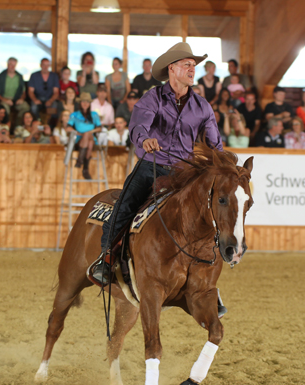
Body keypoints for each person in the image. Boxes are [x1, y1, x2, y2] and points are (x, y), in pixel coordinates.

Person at [90, 41, 223, 292]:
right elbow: (138, 127)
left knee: (211, 213)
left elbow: (215, 144)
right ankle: (105, 259)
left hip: (185, 172)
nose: (192, 69)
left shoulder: (202, 106)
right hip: (153, 164)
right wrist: (144, 139)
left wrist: (226, 163)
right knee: (126, 205)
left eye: (194, 65)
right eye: (187, 65)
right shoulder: (152, 98)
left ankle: (207, 279)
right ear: (172, 68)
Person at [68, 92, 101, 180]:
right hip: (78, 139)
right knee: (89, 143)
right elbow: (68, 128)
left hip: (91, 137)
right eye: (83, 101)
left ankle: (80, 160)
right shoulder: (74, 115)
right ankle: (85, 168)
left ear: (90, 103)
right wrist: (79, 133)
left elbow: (99, 128)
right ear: (80, 103)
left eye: (87, 101)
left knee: (88, 137)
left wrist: (89, 132)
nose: (85, 103)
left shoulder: (94, 114)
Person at [0, 57, 29, 121]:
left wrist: (21, 99)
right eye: (11, 65)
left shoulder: (19, 77)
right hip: (4, 99)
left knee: (26, 107)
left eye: (14, 65)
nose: (12, 67)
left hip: (17, 99)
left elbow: (23, 92)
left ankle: (17, 124)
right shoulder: (0, 77)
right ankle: (6, 125)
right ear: (7, 64)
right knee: (4, 108)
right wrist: (5, 100)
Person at [28, 58, 60, 123]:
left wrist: (50, 101)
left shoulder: (54, 76)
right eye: (44, 65)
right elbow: (30, 91)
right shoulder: (34, 76)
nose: (45, 67)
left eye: (47, 65)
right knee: (34, 107)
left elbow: (56, 92)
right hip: (37, 98)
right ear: (40, 65)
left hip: (49, 98)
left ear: (49, 66)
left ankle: (49, 124)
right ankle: (37, 122)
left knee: (55, 105)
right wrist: (35, 100)